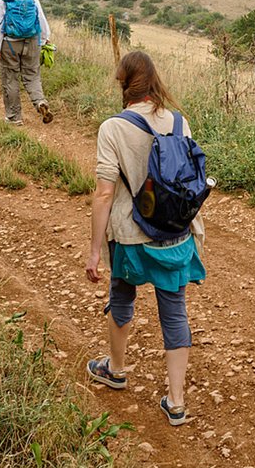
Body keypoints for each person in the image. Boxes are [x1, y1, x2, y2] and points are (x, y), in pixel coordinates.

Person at [84, 51, 206, 427]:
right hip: (175, 235)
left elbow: (104, 193)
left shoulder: (113, 128)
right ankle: (176, 401)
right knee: (175, 311)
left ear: (124, 84)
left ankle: (116, 369)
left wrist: (94, 251)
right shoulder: (179, 122)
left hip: (130, 237)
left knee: (122, 297)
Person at [0, 0, 53, 125]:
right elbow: (40, 16)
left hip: (10, 43)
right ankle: (40, 101)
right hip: (32, 40)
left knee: (10, 79)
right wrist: (45, 37)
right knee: (32, 75)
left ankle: (14, 117)